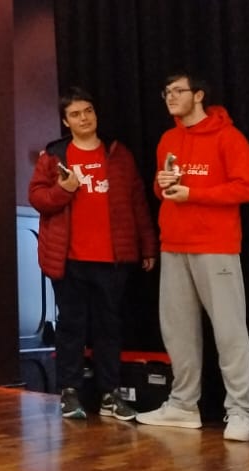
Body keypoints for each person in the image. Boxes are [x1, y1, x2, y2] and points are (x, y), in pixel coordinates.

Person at [136, 72, 249, 441]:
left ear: (199, 95)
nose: (170, 97)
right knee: (178, 331)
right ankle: (183, 404)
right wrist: (163, 186)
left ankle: (240, 411)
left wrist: (194, 193)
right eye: (166, 91)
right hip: (174, 244)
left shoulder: (228, 137)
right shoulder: (168, 139)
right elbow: (162, 188)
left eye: (178, 91)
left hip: (215, 246)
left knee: (229, 331)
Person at [26, 88, 157, 423]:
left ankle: (110, 394)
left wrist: (147, 245)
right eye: (75, 114)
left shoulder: (118, 153)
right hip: (69, 258)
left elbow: (137, 201)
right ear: (65, 121)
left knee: (109, 328)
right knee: (71, 326)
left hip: (113, 259)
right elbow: (38, 199)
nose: (83, 118)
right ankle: (69, 392)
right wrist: (64, 189)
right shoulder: (54, 155)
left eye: (88, 111)